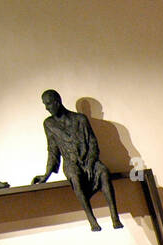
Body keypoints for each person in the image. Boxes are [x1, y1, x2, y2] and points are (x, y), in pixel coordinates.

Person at [31, 89, 123, 231]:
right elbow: (53, 150)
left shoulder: (80, 119)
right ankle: (92, 220)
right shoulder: (49, 124)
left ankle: (115, 217)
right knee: (75, 177)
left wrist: (91, 162)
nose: (47, 108)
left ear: (57, 101)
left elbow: (93, 143)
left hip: (89, 160)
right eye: (45, 104)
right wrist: (46, 174)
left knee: (103, 172)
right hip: (71, 163)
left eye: (49, 104)